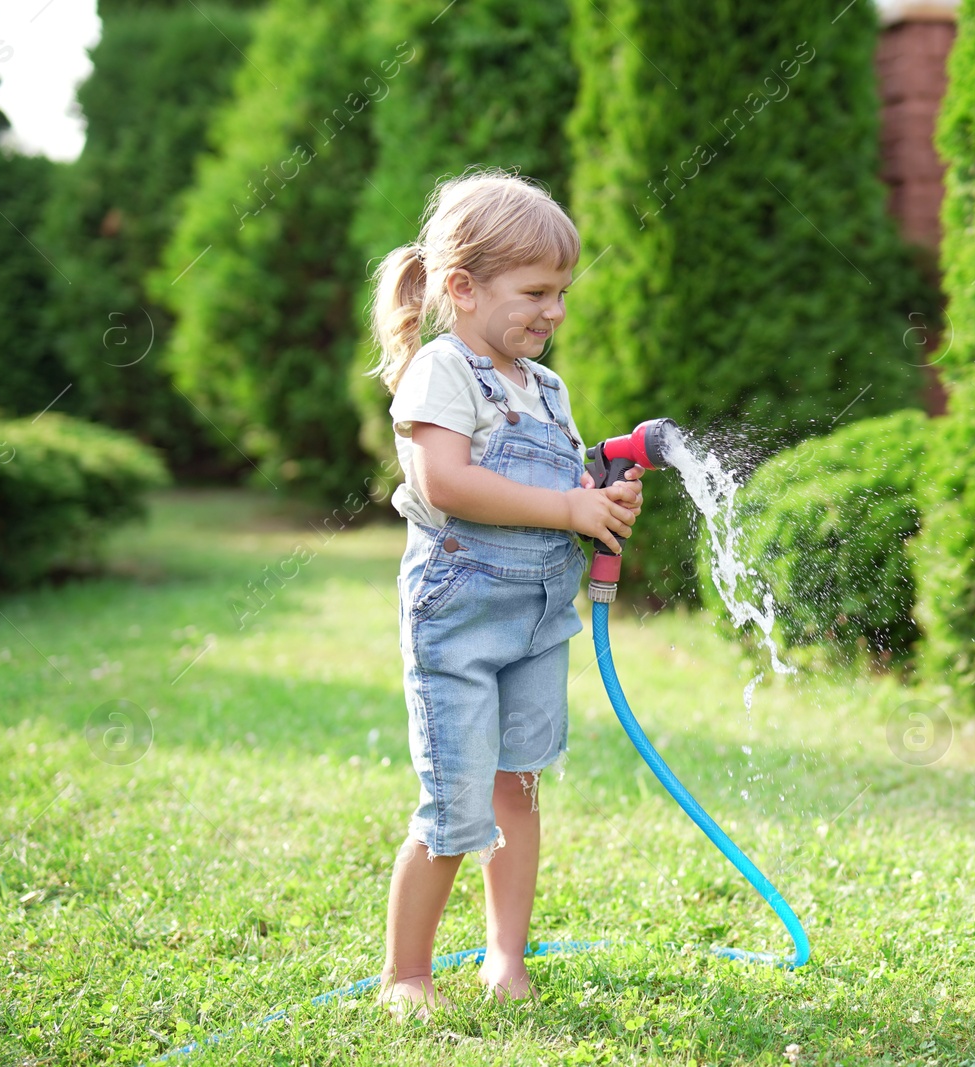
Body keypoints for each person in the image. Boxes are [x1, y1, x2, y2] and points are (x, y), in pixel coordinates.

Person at [363, 170, 644, 1018]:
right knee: (453, 802)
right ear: (462, 288)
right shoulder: (444, 372)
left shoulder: (546, 388)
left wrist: (598, 491)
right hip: (458, 622)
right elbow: (447, 482)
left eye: (561, 291)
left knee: (517, 788)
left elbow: (552, 485)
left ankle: (504, 958)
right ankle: (407, 975)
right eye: (535, 292)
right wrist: (566, 503)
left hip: (536, 622)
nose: (554, 310)